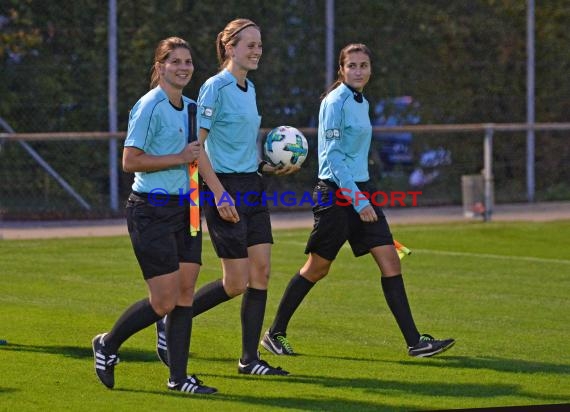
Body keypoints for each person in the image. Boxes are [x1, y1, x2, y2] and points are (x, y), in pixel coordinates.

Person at [261, 43, 455, 358]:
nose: (358, 71)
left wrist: (365, 197)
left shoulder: (361, 101)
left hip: (362, 190)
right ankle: (274, 333)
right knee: (318, 267)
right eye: (352, 65)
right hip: (337, 195)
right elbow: (332, 159)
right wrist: (358, 201)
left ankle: (415, 342)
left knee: (391, 260)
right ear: (341, 69)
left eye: (364, 65)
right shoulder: (334, 102)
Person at [156, 18, 296, 376]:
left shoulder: (249, 88)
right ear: (230, 47)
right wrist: (218, 195)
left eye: (260, 44)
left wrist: (265, 166)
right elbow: (195, 148)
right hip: (224, 189)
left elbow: (240, 145)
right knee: (235, 283)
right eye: (249, 44)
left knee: (261, 271)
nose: (257, 50)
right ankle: (171, 318)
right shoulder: (214, 88)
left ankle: (250, 359)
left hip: (251, 186)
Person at [91, 37, 216, 395]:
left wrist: (220, 195)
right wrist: (178, 157)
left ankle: (179, 379)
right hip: (151, 210)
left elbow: (199, 157)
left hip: (189, 206)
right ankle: (108, 344)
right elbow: (130, 160)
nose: (183, 67)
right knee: (163, 300)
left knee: (186, 293)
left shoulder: (192, 108)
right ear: (160, 67)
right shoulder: (148, 106)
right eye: (175, 61)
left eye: (188, 61)